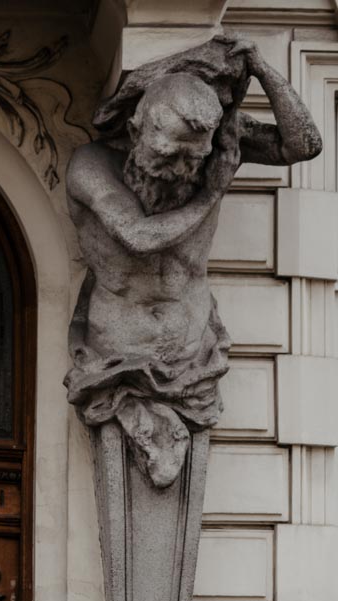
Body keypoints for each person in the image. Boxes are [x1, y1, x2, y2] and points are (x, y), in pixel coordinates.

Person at [65, 34, 322, 488]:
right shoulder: (92, 166)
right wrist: (213, 192)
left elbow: (303, 145)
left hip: (194, 353)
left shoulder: (216, 150)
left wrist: (263, 70)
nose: (179, 168)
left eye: (192, 158)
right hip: (118, 353)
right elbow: (139, 237)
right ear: (136, 130)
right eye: (166, 154)